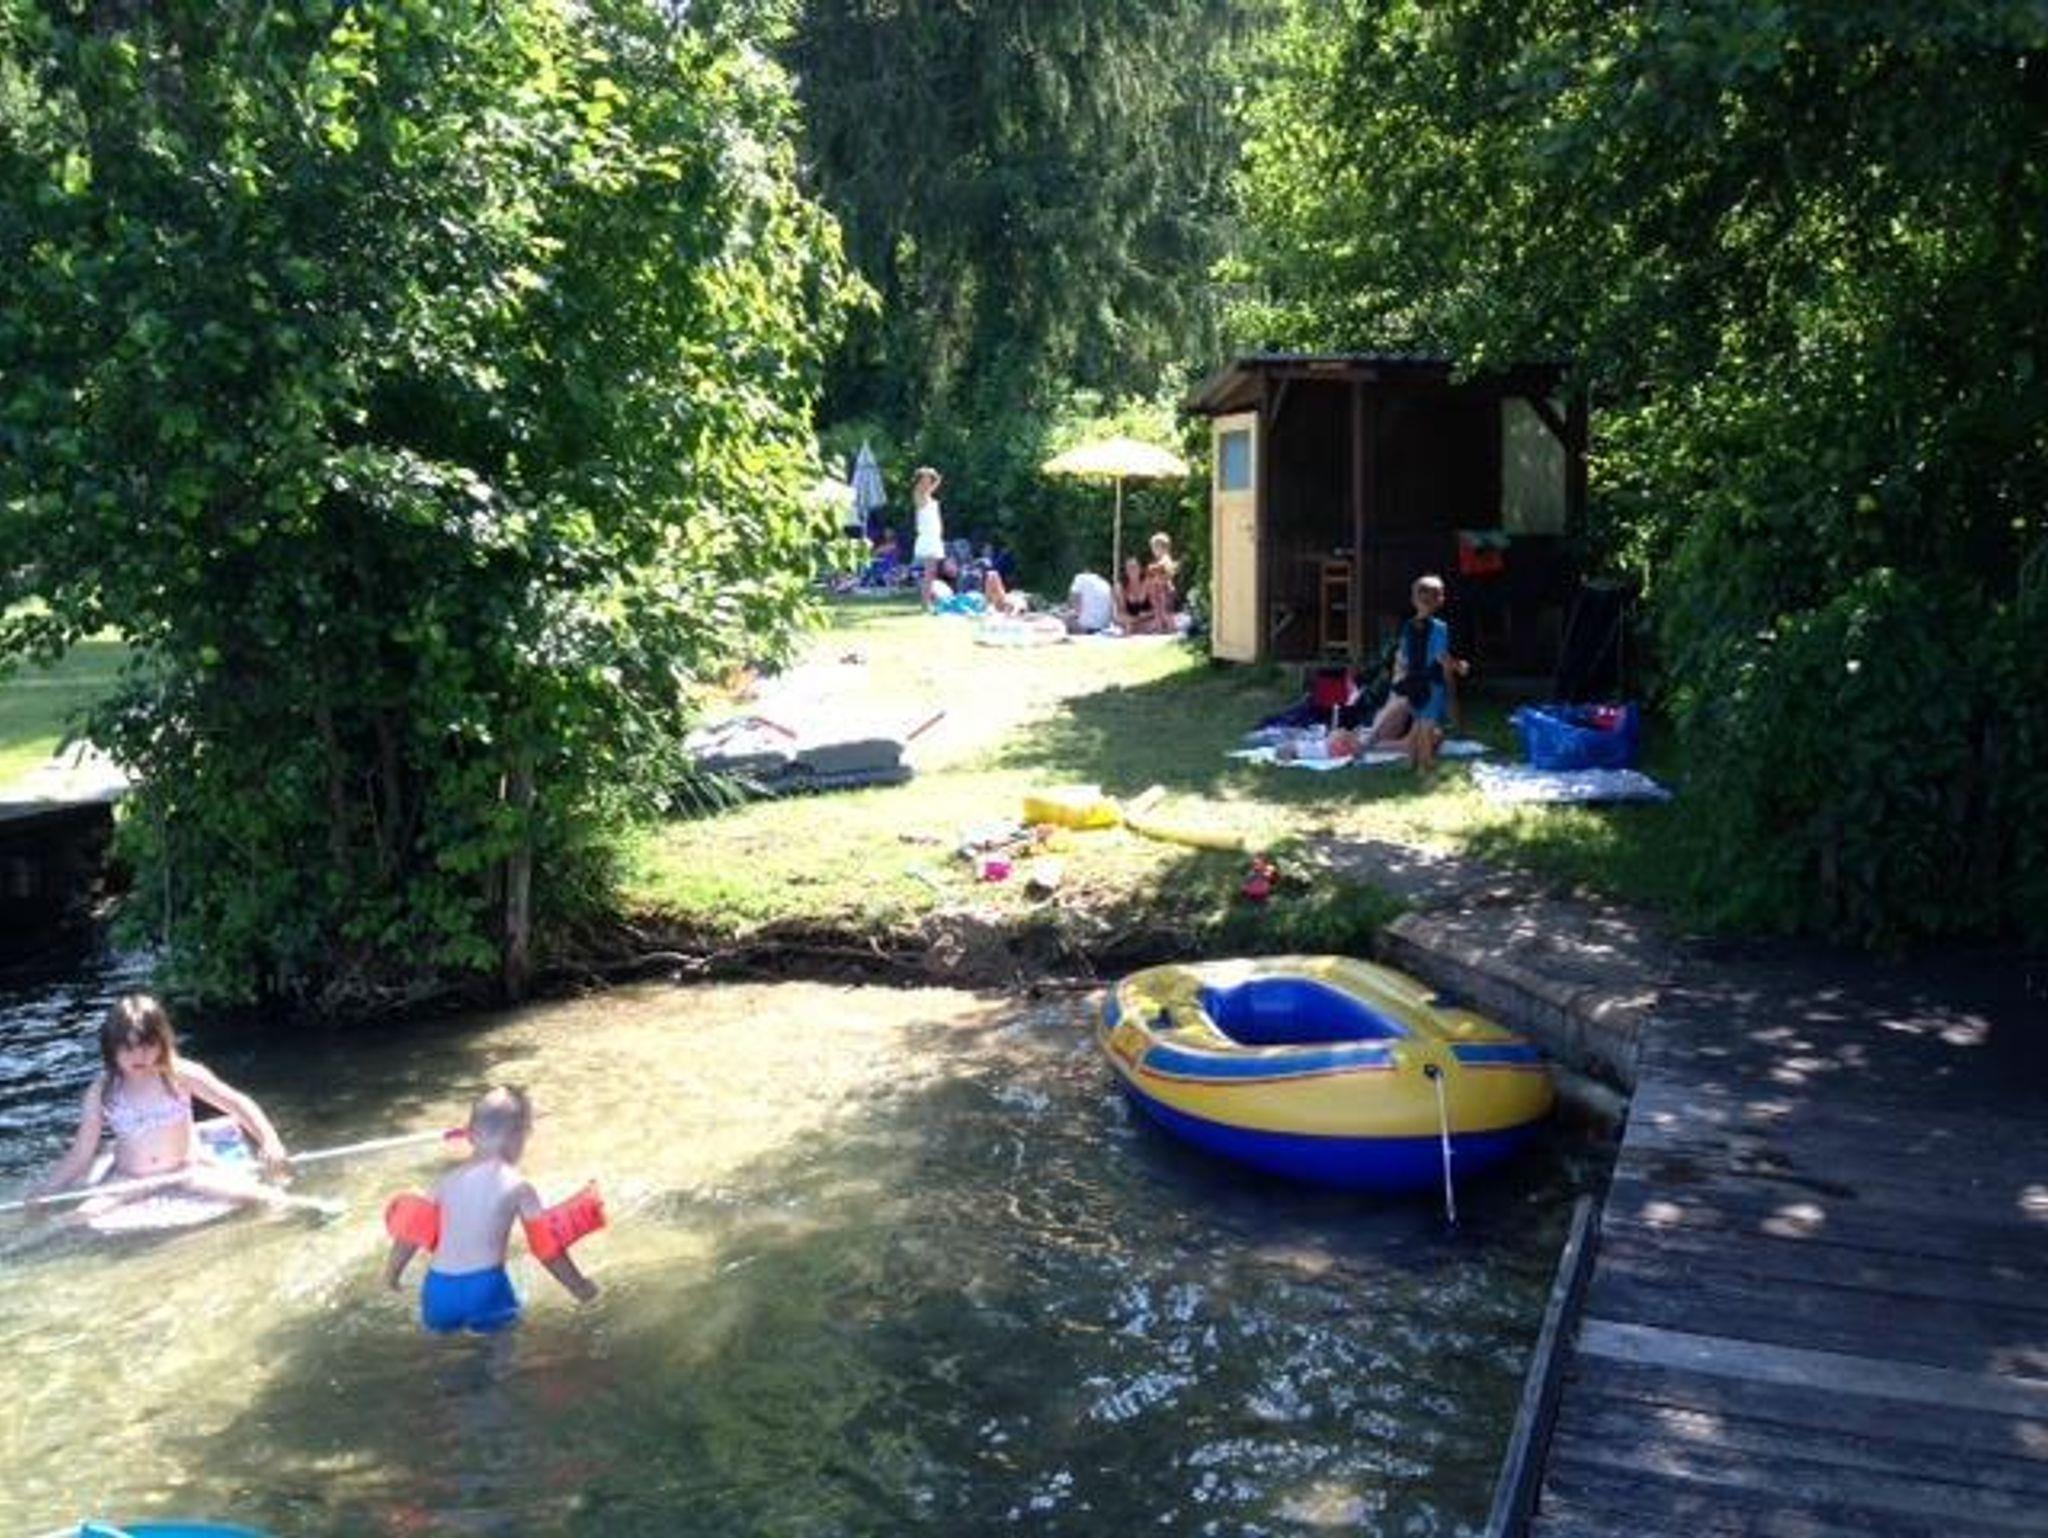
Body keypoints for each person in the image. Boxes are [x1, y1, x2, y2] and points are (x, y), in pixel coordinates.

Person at [27, 993, 316, 1216]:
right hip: (131, 1177)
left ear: (162, 1042)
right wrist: (48, 1190)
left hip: (187, 1168)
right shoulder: (103, 1090)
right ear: (111, 1049)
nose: (139, 1056)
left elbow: (237, 1103)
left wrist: (270, 1141)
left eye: (147, 1045)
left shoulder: (180, 1073)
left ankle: (315, 1210)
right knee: (79, 1220)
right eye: (128, 1048)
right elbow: (81, 1151)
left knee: (263, 1197)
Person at [384, 1085, 600, 1334]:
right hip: (486, 1287)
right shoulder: (517, 1185)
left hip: (439, 1287)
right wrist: (579, 1287)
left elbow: (411, 1234)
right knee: (502, 1346)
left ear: (470, 1135)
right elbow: (546, 1249)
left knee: (442, 1348)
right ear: (520, 1137)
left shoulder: (445, 1182)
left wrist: (392, 1275)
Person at [1364, 574, 1468, 772]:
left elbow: (1403, 656)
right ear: (1439, 600)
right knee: (1428, 724)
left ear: (1414, 600)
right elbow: (1440, 656)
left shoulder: (1408, 626)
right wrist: (1458, 666)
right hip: (1431, 682)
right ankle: (1425, 763)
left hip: (1413, 681)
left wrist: (1402, 678)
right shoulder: (1440, 627)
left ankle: (1412, 761)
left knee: (1419, 721)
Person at [911, 466, 945, 608]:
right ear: (919, 481)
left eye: (929, 479)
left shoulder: (927, 494)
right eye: (924, 479)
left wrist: (935, 479)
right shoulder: (919, 493)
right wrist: (933, 479)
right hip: (927, 537)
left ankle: (928, 600)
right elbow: (927, 490)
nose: (927, 482)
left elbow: (932, 487)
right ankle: (926, 602)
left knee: (932, 572)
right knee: (929, 572)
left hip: (934, 537)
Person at [1142, 532, 1180, 629]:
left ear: (1164, 548)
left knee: (1166, 610)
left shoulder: (1165, 558)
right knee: (1158, 609)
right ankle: (1160, 626)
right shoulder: (1159, 560)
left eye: (1155, 548)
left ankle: (1171, 627)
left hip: (1165, 589)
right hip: (1158, 589)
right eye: (1153, 548)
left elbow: (1166, 568)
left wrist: (1153, 567)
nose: (1153, 551)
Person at [1114, 555, 1153, 632]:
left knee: (1155, 622)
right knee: (1119, 618)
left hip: (1148, 618)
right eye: (1129, 568)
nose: (1132, 570)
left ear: (1140, 569)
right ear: (1126, 571)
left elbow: (1157, 607)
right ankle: (1137, 626)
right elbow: (1121, 611)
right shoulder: (1121, 587)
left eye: (1134, 567)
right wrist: (1136, 619)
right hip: (1130, 619)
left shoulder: (1148, 584)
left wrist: (1147, 614)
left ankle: (1136, 627)